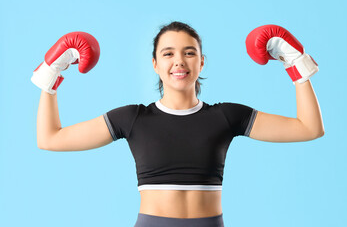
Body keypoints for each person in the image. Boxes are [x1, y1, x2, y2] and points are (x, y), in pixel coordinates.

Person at [32, 22, 324, 227]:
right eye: (168, 53)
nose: (179, 61)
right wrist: (50, 78)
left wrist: (296, 64)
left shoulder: (227, 116)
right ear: (155, 64)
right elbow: (50, 138)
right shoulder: (132, 118)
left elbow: (309, 128)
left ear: (201, 62)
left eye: (189, 52)